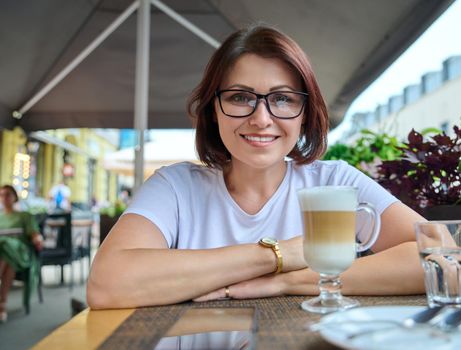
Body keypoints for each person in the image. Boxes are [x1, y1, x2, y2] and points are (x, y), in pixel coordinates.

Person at [87, 25, 425, 310]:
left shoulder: (334, 180)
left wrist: (288, 281)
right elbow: (106, 284)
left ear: (305, 113)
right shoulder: (175, 186)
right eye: (240, 97)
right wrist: (279, 255)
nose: (261, 119)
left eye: (282, 98)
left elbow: (446, 259)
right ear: (212, 109)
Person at [0, 185, 43, 322]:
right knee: (7, 256)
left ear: (14, 197)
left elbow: (35, 234)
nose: (4, 198)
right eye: (1, 195)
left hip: (22, 252)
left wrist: (38, 239)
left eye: (7, 194)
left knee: (6, 246)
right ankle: (2, 305)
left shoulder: (24, 216)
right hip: (7, 257)